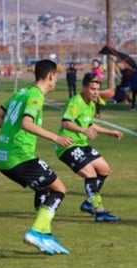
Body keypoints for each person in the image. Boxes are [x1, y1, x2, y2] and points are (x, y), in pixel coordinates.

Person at [0, 59, 73, 255]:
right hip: (20, 156)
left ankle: (45, 233)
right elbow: (27, 123)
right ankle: (36, 231)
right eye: (56, 77)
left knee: (44, 188)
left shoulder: (22, 92)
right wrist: (56, 137)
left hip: (4, 156)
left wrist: (10, 135)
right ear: (51, 76)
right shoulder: (35, 95)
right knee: (60, 189)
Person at [55, 72, 123, 222]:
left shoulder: (92, 104)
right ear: (84, 87)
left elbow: (89, 124)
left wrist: (109, 132)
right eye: (92, 89)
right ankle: (99, 212)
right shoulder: (75, 101)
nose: (95, 92)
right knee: (90, 173)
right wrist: (83, 130)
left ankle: (88, 202)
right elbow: (65, 123)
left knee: (104, 169)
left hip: (81, 144)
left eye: (97, 89)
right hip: (67, 145)